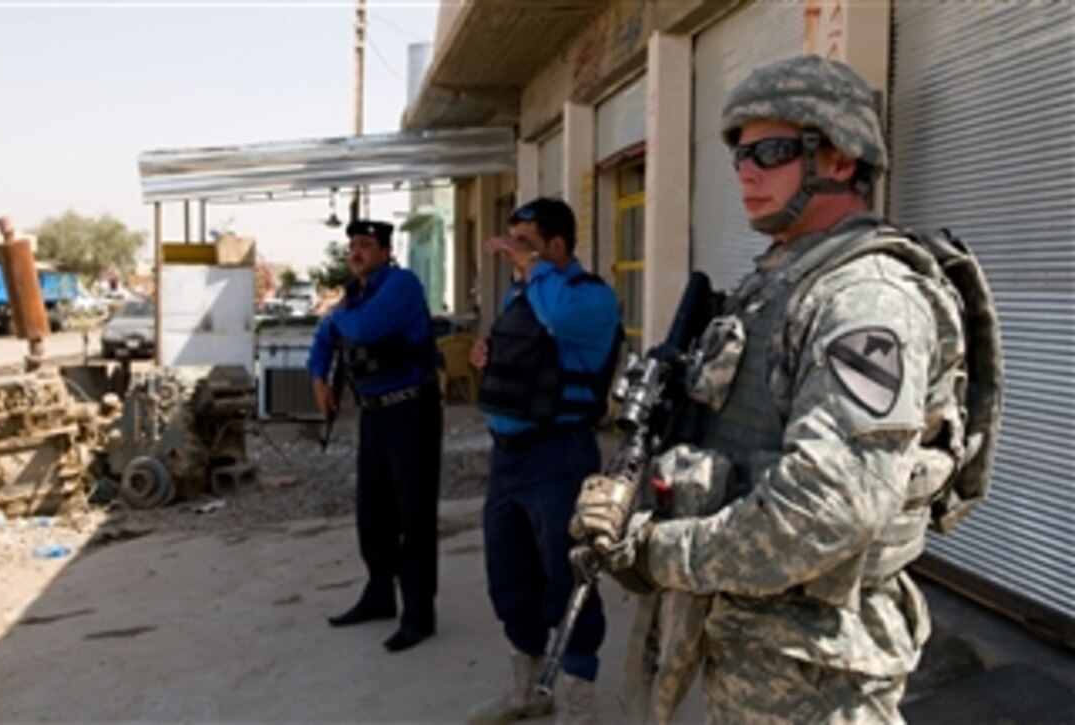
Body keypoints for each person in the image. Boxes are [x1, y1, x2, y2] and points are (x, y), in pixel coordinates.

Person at [572, 55, 978, 722]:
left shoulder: (866, 298)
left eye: (772, 151)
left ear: (841, 158)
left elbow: (830, 507)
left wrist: (656, 552)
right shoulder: (781, 283)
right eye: (739, 155)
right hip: (754, 645)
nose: (746, 172)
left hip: (820, 672)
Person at [468, 197, 622, 724]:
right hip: (507, 460)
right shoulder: (523, 292)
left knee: (569, 578)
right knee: (508, 577)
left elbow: (557, 319)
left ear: (558, 245)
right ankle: (526, 691)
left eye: (526, 244)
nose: (515, 255)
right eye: (512, 244)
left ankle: (578, 707)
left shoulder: (589, 297)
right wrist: (488, 357)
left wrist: (531, 269)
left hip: (559, 453)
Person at [307, 219, 442, 653]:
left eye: (365, 245)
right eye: (352, 245)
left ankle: (419, 613)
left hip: (411, 411)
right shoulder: (356, 295)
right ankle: (380, 594)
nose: (356, 252)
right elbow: (324, 337)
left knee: (413, 515)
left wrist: (337, 314)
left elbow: (362, 330)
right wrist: (318, 378)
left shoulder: (401, 285)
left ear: (385, 251)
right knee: (373, 513)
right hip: (375, 416)